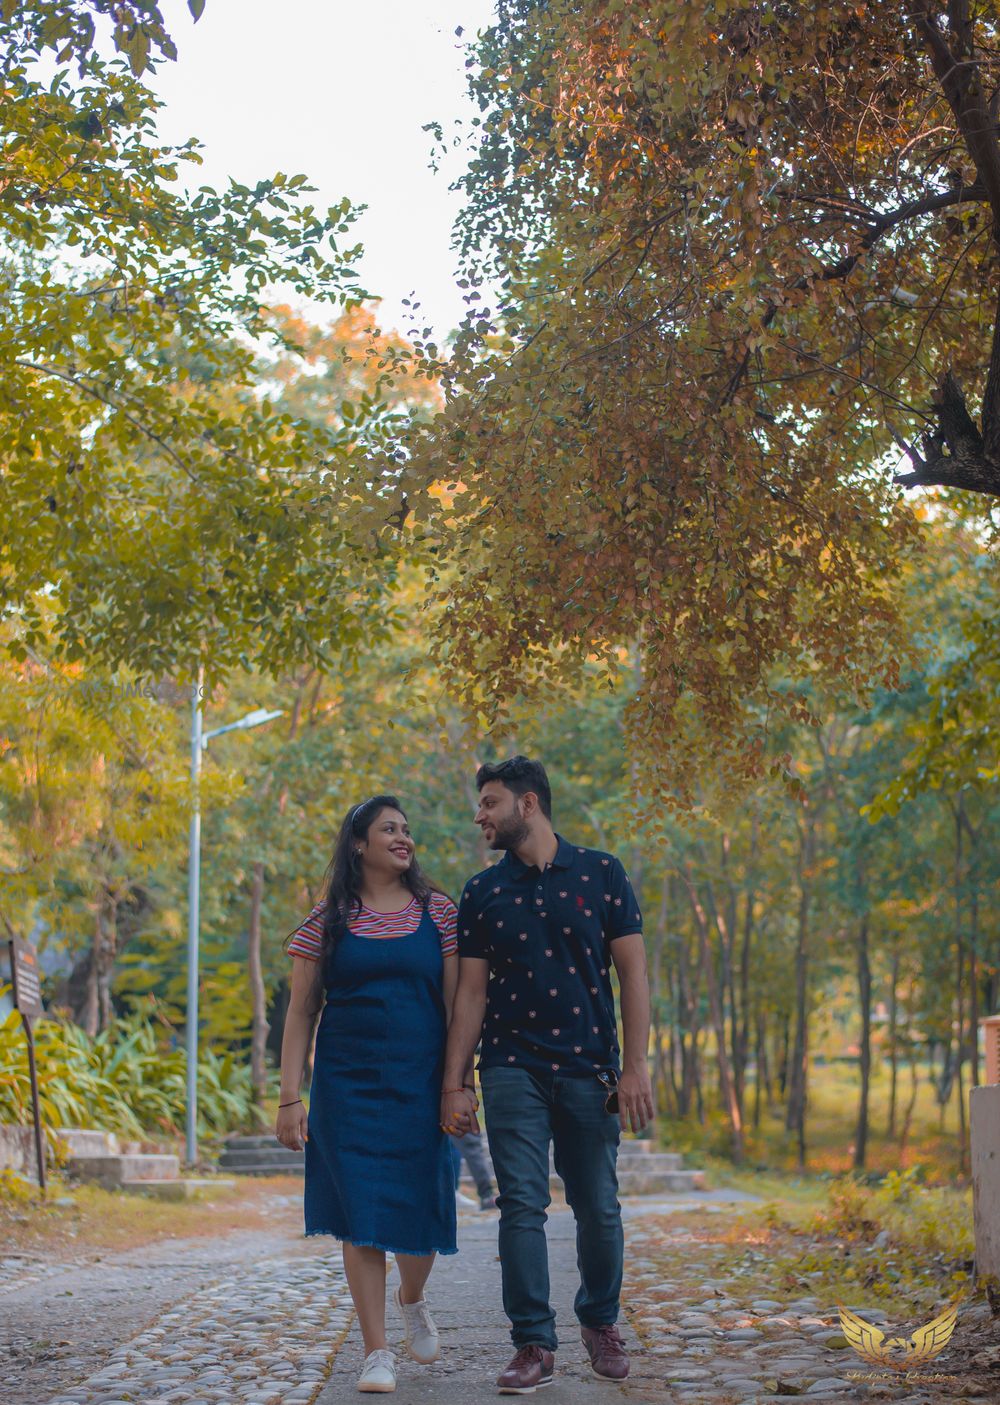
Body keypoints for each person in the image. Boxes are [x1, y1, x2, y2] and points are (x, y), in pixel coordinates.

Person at [440, 757, 654, 1394]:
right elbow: (471, 996)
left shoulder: (602, 873)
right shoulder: (481, 892)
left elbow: (634, 976)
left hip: (591, 1069)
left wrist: (637, 1067)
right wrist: (457, 1080)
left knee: (598, 1206)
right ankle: (533, 1342)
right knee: (521, 1206)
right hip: (511, 1067)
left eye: (490, 802)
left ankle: (600, 1322)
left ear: (527, 805)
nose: (481, 815)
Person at [277, 795, 465, 1395]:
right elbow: (301, 1014)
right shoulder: (327, 919)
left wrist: (458, 1083)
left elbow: (460, 1005)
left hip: (421, 1081)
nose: (404, 837)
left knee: (424, 1208)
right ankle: (376, 1351)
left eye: (407, 829)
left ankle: (413, 1298)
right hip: (346, 1087)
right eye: (390, 829)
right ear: (359, 844)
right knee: (360, 1216)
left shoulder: (440, 912)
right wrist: (289, 1097)